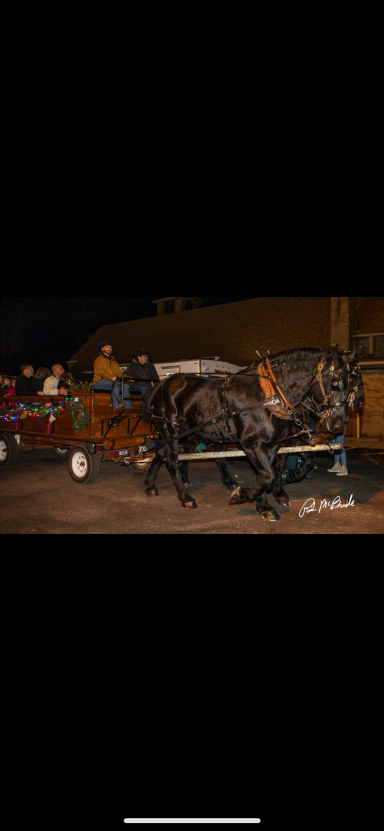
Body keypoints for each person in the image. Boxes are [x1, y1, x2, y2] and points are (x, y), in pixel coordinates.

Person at [93, 340, 133, 410]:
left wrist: (129, 378)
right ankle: (117, 407)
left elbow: (119, 373)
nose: (109, 349)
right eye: (107, 347)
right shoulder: (99, 360)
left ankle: (129, 407)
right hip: (99, 382)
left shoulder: (114, 362)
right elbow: (101, 371)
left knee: (125, 385)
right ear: (102, 349)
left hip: (112, 382)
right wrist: (112, 377)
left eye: (110, 347)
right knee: (117, 384)